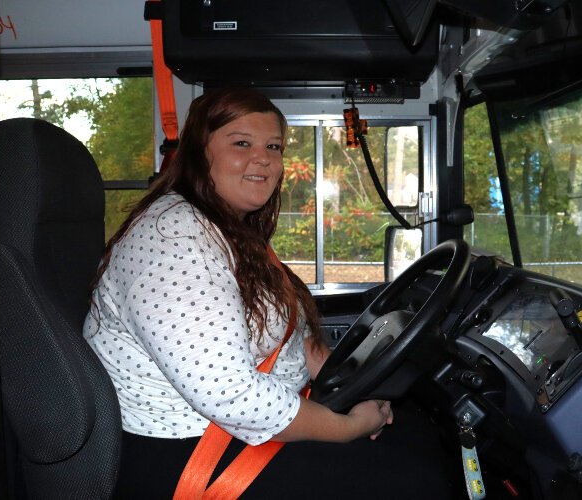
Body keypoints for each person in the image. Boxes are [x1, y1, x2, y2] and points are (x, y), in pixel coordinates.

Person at [85, 88, 458, 498]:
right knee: (419, 481)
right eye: (241, 143)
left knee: (420, 437)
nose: (263, 158)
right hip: (190, 453)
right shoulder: (175, 239)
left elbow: (293, 338)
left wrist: (359, 390)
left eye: (273, 146)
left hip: (234, 429)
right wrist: (349, 426)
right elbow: (231, 394)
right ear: (197, 153)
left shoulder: (229, 231)